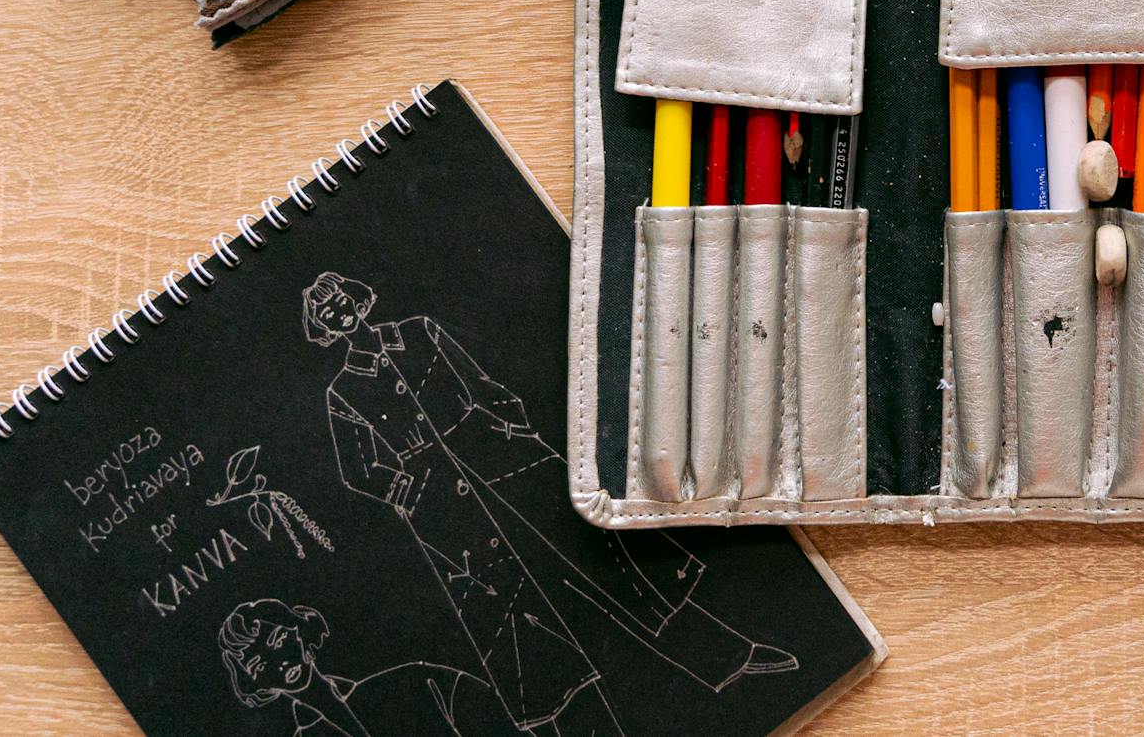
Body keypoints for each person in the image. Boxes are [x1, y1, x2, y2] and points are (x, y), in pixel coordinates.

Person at [303, 272, 790, 734]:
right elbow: (359, 469)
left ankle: (731, 658)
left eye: (340, 300)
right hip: (446, 508)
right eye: (327, 312)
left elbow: (480, 383)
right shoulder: (342, 391)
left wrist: (516, 428)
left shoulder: (419, 332)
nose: (339, 312)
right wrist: (415, 493)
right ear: (324, 327)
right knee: (517, 619)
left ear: (355, 297)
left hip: (506, 458)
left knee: (613, 559)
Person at [218, 598, 516, 737]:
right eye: (259, 667)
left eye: (279, 639)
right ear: (255, 683)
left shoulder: (417, 682)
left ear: (298, 630)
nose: (280, 663)